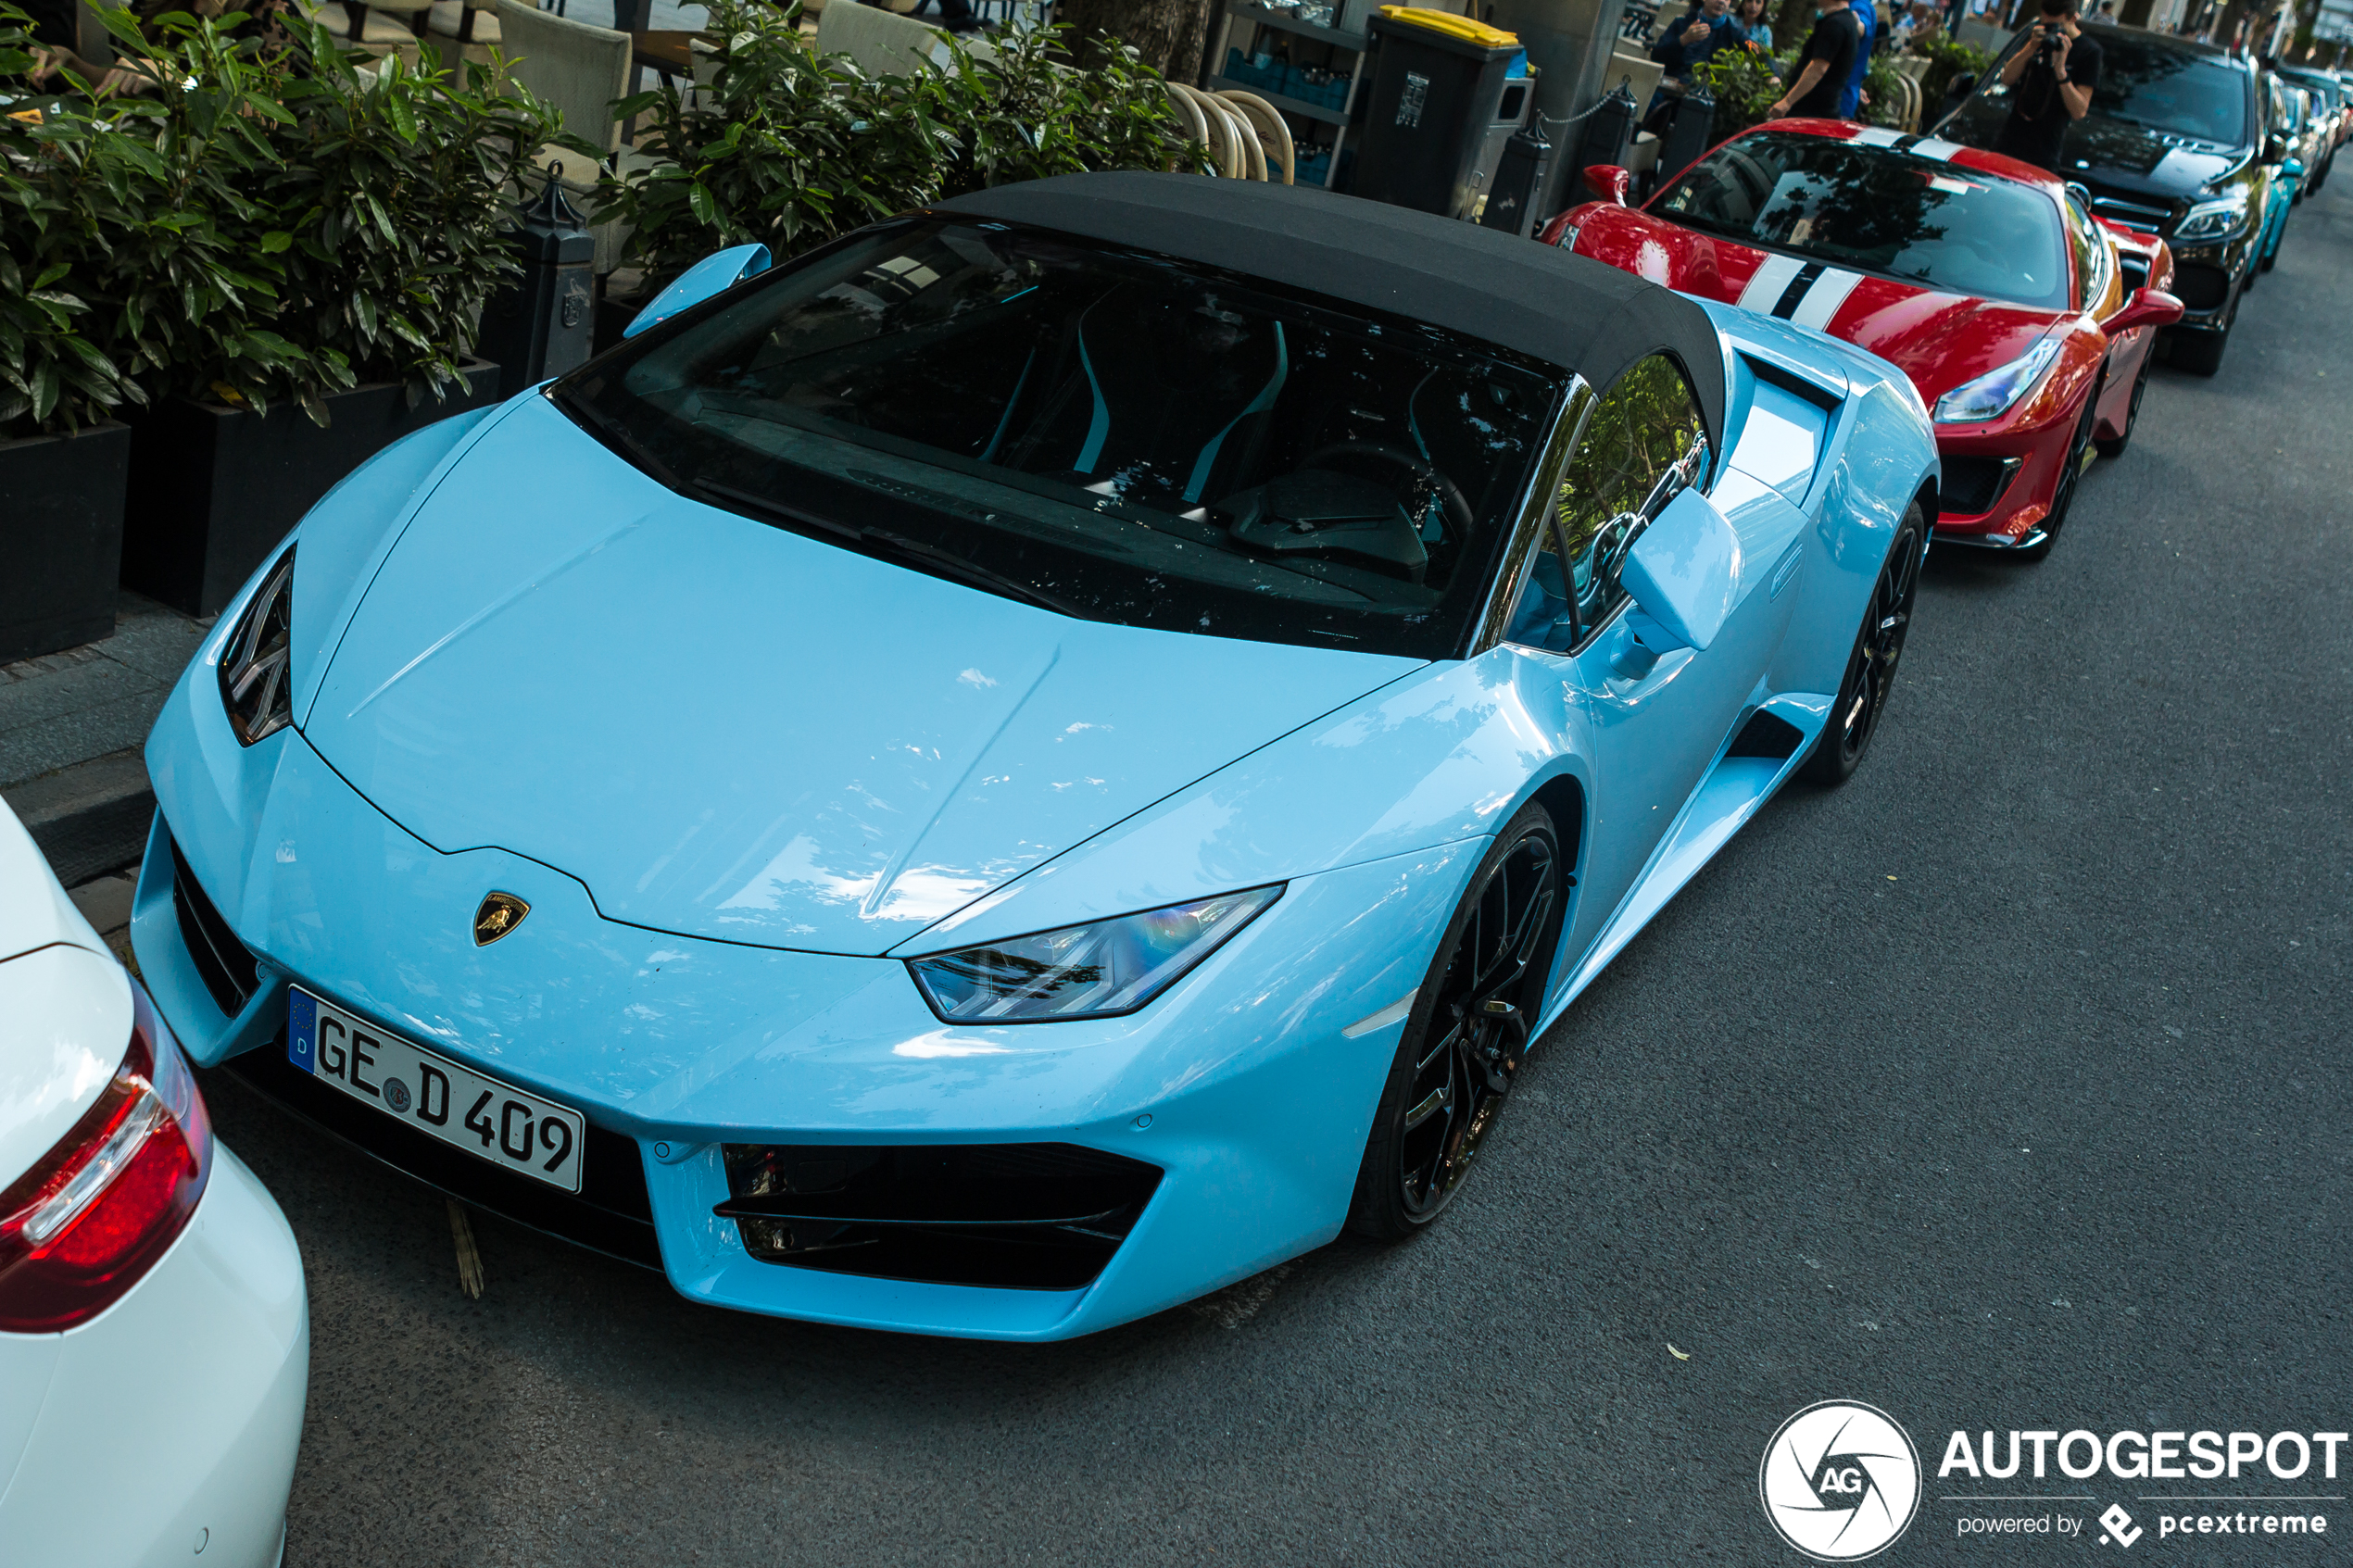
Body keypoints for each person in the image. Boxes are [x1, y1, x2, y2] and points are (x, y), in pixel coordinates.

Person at [1993, 0, 2101, 171]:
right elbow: (2007, 79)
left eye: (2056, 26)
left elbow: (2079, 110)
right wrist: (2030, 47)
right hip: (2011, 140)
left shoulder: (2088, 52)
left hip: (2045, 149)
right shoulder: (2036, 39)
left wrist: (2061, 71)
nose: (2050, 31)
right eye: (2045, 24)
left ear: (2073, 18)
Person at [1768, 0, 1864, 119]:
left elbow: (1817, 68)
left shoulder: (1835, 24)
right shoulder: (1846, 21)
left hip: (1811, 113)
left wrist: (1787, 102)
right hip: (1820, 111)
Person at [1839, 0, 1878, 118]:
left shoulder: (1860, 5)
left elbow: (1862, 29)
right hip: (1846, 92)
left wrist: (1852, 19)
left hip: (1841, 97)